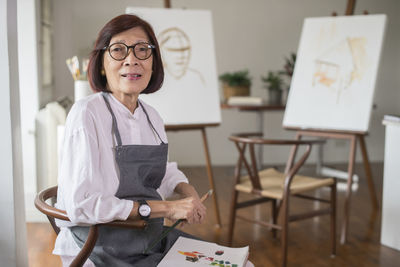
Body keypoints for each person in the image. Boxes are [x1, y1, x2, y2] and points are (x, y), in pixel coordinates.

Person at [53, 14, 207, 267]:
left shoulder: (151, 116)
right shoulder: (87, 114)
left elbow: (160, 172)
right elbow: (80, 205)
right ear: (101, 63)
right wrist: (165, 209)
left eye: (142, 50)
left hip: (149, 238)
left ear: (153, 63)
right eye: (118, 50)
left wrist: (185, 189)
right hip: (99, 245)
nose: (132, 59)